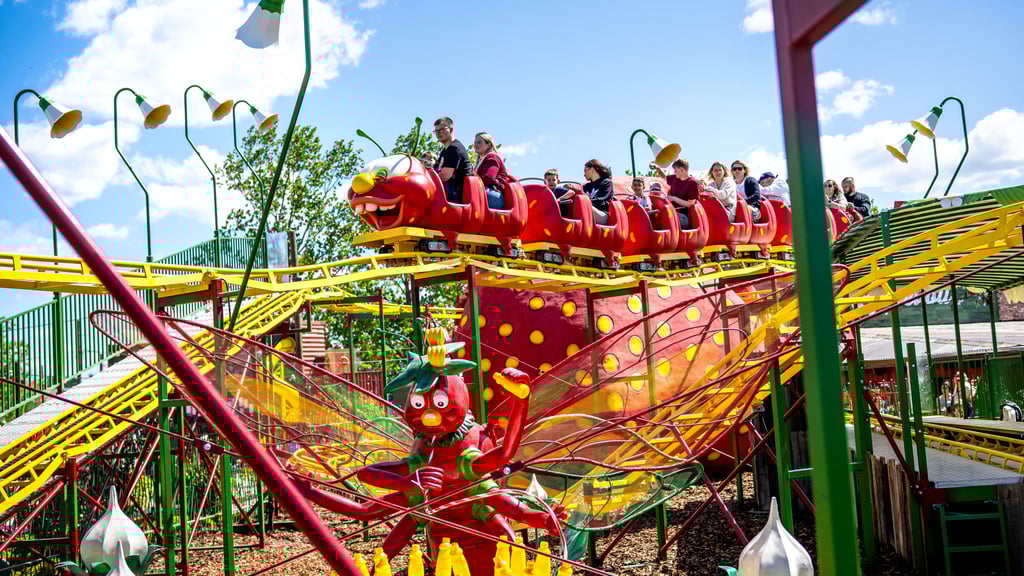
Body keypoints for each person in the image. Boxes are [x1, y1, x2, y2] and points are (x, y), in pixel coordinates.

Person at [432, 117, 472, 204]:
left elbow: (445, 176)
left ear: (451, 129)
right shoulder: (444, 150)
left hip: (456, 194)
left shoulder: (455, 148)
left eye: (442, 129)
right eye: (436, 131)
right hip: (448, 191)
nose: (438, 133)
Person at [560, 159, 614, 224]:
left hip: (602, 214)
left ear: (592, 169)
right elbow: (574, 193)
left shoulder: (606, 182)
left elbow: (601, 200)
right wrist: (560, 199)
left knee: (582, 204)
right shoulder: (587, 186)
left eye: (585, 171)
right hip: (587, 212)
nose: (584, 174)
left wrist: (584, 200)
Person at [654, 158, 700, 229]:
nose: (674, 172)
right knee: (656, 215)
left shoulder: (692, 183)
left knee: (668, 217)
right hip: (672, 212)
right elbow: (664, 177)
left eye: (675, 169)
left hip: (685, 217)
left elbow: (690, 204)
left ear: (682, 170)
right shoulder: (674, 178)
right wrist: (657, 168)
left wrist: (674, 199)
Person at [472, 132, 508, 209]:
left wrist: (471, 173)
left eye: (479, 142)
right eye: (475, 142)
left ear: (488, 144)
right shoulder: (481, 160)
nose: (475, 144)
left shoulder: (492, 157)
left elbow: (488, 178)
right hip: (487, 193)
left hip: (495, 196)